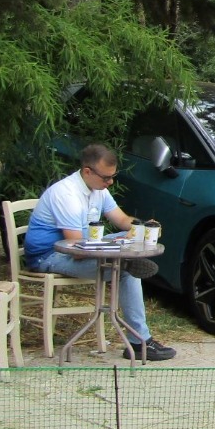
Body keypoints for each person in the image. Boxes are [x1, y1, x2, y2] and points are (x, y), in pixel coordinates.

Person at [23, 143, 177, 361]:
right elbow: (77, 250)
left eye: (113, 177)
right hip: (50, 256)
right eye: (106, 178)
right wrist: (116, 247)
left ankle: (127, 262)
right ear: (87, 172)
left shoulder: (98, 190)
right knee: (124, 270)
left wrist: (142, 228)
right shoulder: (67, 194)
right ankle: (139, 342)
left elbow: (121, 220)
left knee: (129, 242)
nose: (110, 182)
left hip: (82, 245)